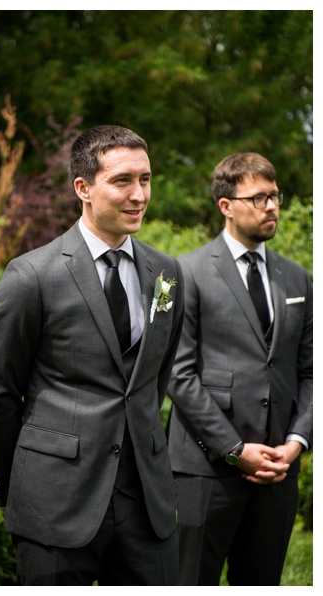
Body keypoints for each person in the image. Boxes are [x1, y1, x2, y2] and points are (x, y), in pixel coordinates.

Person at [0, 125, 185, 585]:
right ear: (83, 188)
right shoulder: (31, 276)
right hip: (53, 502)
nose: (138, 195)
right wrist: (19, 488)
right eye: (122, 181)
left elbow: (156, 377)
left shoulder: (167, 274)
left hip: (147, 504)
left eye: (145, 179)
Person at [166, 152, 312, 585]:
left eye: (275, 196)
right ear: (226, 205)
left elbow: (310, 370)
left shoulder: (297, 278)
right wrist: (234, 449)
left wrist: (297, 441)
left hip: (278, 470)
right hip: (205, 471)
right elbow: (179, 374)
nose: (271, 207)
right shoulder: (183, 273)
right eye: (258, 198)